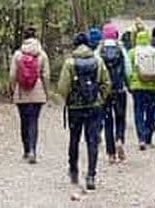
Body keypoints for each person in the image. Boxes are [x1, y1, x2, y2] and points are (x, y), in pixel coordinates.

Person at [58, 31, 111, 191]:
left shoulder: (69, 63)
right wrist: (99, 98)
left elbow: (62, 87)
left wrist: (69, 98)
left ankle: (74, 170)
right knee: (92, 141)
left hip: (75, 108)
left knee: (74, 139)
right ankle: (91, 175)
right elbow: (106, 83)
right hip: (94, 107)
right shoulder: (98, 61)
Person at [10, 26, 50, 164]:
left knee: (24, 121)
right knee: (34, 121)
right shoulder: (42, 54)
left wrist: (13, 88)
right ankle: (33, 149)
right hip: (37, 91)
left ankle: (26, 150)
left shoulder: (17, 54)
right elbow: (46, 75)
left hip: (21, 92)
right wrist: (46, 91)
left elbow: (13, 75)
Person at [128, 29, 155, 150]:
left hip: (137, 88)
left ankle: (141, 138)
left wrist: (130, 83)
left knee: (138, 112)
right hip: (152, 87)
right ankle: (149, 138)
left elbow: (127, 70)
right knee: (150, 112)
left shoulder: (132, 52)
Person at [100, 22, 130, 163]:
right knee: (120, 117)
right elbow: (128, 70)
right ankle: (119, 139)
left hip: (105, 92)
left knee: (107, 121)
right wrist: (127, 84)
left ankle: (111, 153)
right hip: (119, 89)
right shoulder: (121, 49)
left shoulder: (99, 50)